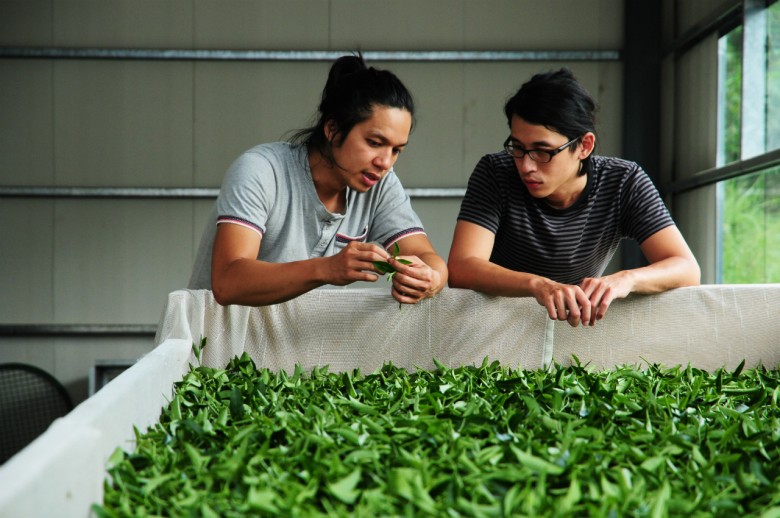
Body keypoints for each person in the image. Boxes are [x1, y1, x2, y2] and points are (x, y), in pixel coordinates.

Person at [189, 53, 447, 306]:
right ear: (333, 130)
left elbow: (429, 258)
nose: (385, 162)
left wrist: (431, 278)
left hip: (291, 346)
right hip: (216, 343)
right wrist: (327, 269)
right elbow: (228, 283)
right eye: (375, 143)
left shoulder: (381, 184)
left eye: (396, 150)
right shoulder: (261, 170)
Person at [448, 68, 700, 327]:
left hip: (575, 327)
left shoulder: (624, 182)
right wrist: (539, 286)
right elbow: (462, 267)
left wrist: (626, 279)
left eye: (542, 151)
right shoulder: (496, 172)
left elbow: (686, 268)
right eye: (518, 148)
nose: (526, 166)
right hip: (495, 326)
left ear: (584, 146)